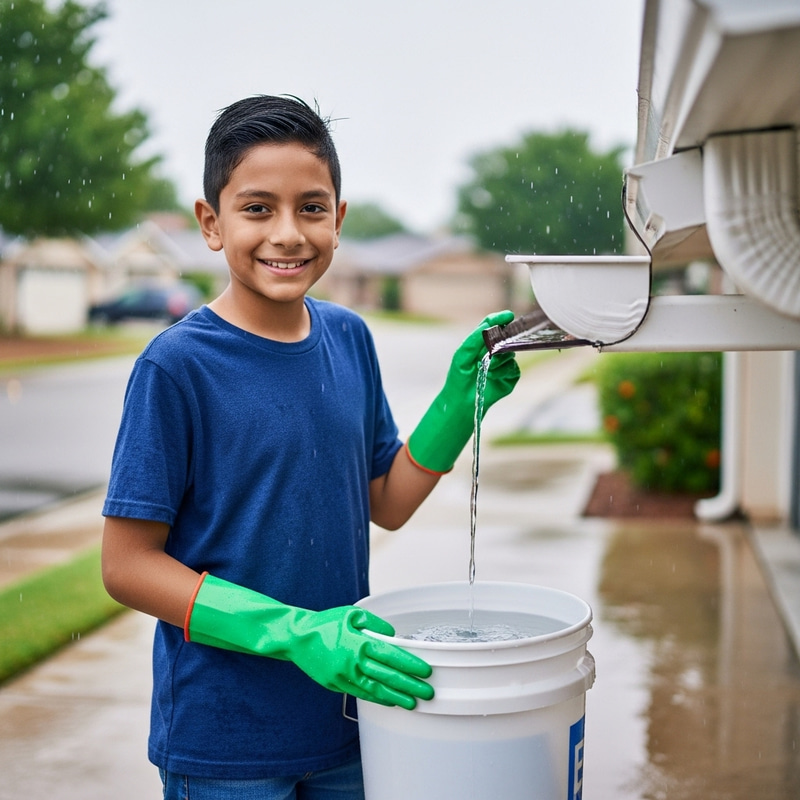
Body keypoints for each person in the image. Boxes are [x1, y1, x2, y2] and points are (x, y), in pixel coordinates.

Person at [101, 94, 520, 799]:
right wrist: (293, 632)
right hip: (224, 741)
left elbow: (385, 500)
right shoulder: (176, 367)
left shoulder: (349, 339)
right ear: (211, 223)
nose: (288, 234)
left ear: (340, 218)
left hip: (346, 720)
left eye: (312, 208)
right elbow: (127, 566)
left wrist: (458, 406)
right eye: (258, 208)